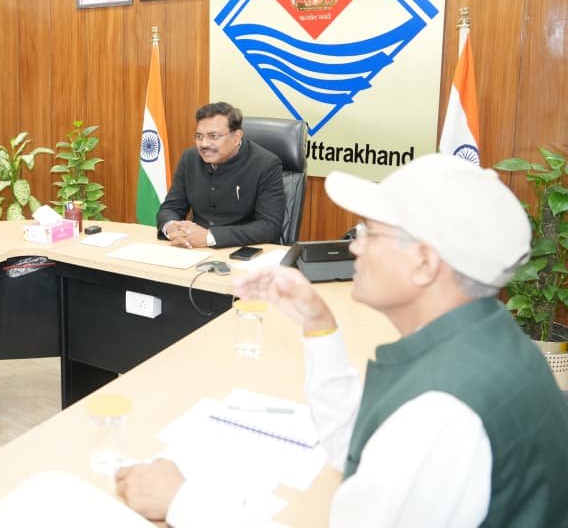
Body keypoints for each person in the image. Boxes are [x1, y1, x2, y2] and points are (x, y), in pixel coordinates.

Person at [118, 154, 568, 527]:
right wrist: (319, 325)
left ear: (425, 263)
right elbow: (358, 444)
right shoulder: (483, 340)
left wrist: (184, 502)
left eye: (369, 232)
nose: (354, 246)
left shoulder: (442, 412)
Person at [157, 102, 285, 248]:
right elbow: (170, 208)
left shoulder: (266, 164)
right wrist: (171, 227)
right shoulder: (190, 158)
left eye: (213, 136)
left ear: (236, 137)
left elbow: (269, 226)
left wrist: (210, 237)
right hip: (194, 249)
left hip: (242, 250)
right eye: (199, 136)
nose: (204, 144)